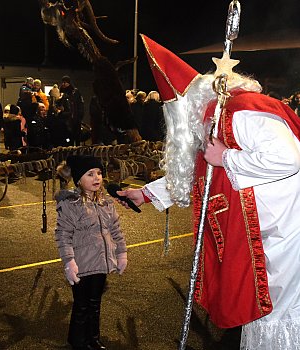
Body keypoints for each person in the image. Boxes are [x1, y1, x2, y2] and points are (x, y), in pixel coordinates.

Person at [116, 34, 300, 350]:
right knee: (262, 311)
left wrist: (226, 157)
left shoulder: (243, 113)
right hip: (261, 234)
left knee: (279, 313)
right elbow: (202, 172)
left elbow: (288, 159)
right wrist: (146, 194)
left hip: (284, 234)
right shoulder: (214, 122)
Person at [54, 155, 127, 350]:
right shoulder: (71, 205)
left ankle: (93, 338)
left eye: (99, 173)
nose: (97, 178)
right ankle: (78, 341)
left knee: (95, 304)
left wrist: (121, 253)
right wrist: (69, 261)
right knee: (81, 305)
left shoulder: (106, 203)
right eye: (90, 174)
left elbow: (116, 230)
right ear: (78, 179)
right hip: (82, 263)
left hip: (101, 264)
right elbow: (63, 235)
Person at [56, 75, 84, 146]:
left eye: (65, 82)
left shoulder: (75, 92)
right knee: (68, 137)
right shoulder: (61, 93)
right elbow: (58, 104)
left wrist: (80, 116)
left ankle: (77, 150)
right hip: (66, 118)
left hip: (75, 118)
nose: (64, 84)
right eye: (63, 82)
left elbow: (80, 104)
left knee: (77, 136)